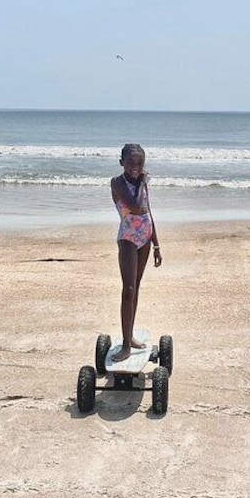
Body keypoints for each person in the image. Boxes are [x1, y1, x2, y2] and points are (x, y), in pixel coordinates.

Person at [110, 143, 162, 362]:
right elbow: (136, 206)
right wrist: (142, 181)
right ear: (122, 162)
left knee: (137, 288)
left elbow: (148, 211)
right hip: (129, 238)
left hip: (146, 237)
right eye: (131, 162)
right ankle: (125, 345)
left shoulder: (144, 184)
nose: (135, 166)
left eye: (140, 163)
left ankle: (130, 336)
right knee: (128, 289)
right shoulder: (117, 183)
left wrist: (157, 244)